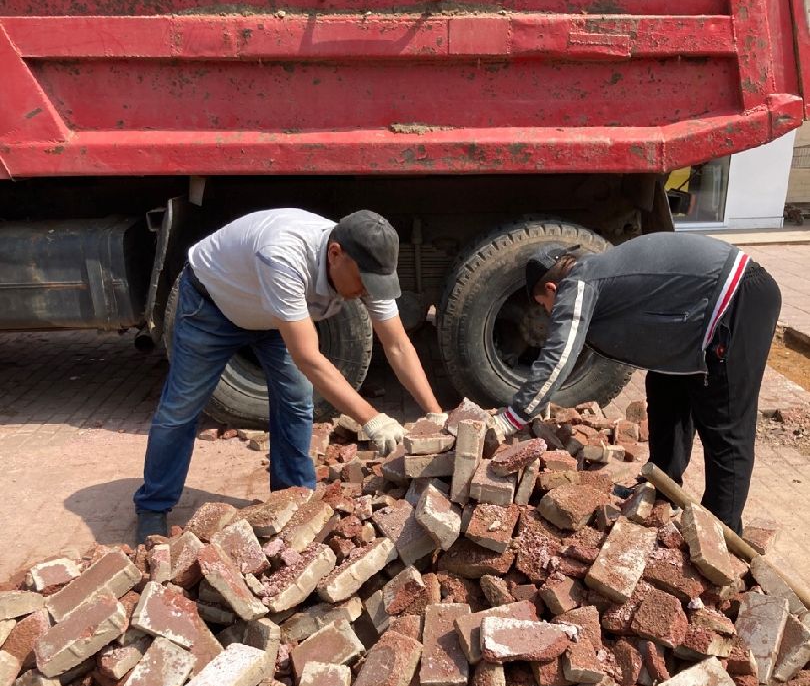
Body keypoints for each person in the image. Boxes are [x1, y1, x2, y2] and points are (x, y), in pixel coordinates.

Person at [134, 208, 442, 544]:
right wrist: (373, 420)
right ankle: (153, 507)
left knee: (296, 400)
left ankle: (292, 498)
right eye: (364, 282)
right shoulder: (283, 255)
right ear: (335, 254)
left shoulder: (365, 266)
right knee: (182, 407)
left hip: (270, 315)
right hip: (211, 307)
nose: (369, 291)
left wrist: (435, 415)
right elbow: (308, 357)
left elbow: (397, 345)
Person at [490, 232, 782, 534]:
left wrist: (511, 418)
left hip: (737, 299)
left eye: (544, 304)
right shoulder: (596, 271)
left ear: (551, 288)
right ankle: (661, 493)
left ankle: (719, 539)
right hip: (700, 313)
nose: (549, 313)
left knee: (725, 426)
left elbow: (557, 358)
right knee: (664, 391)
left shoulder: (578, 283)